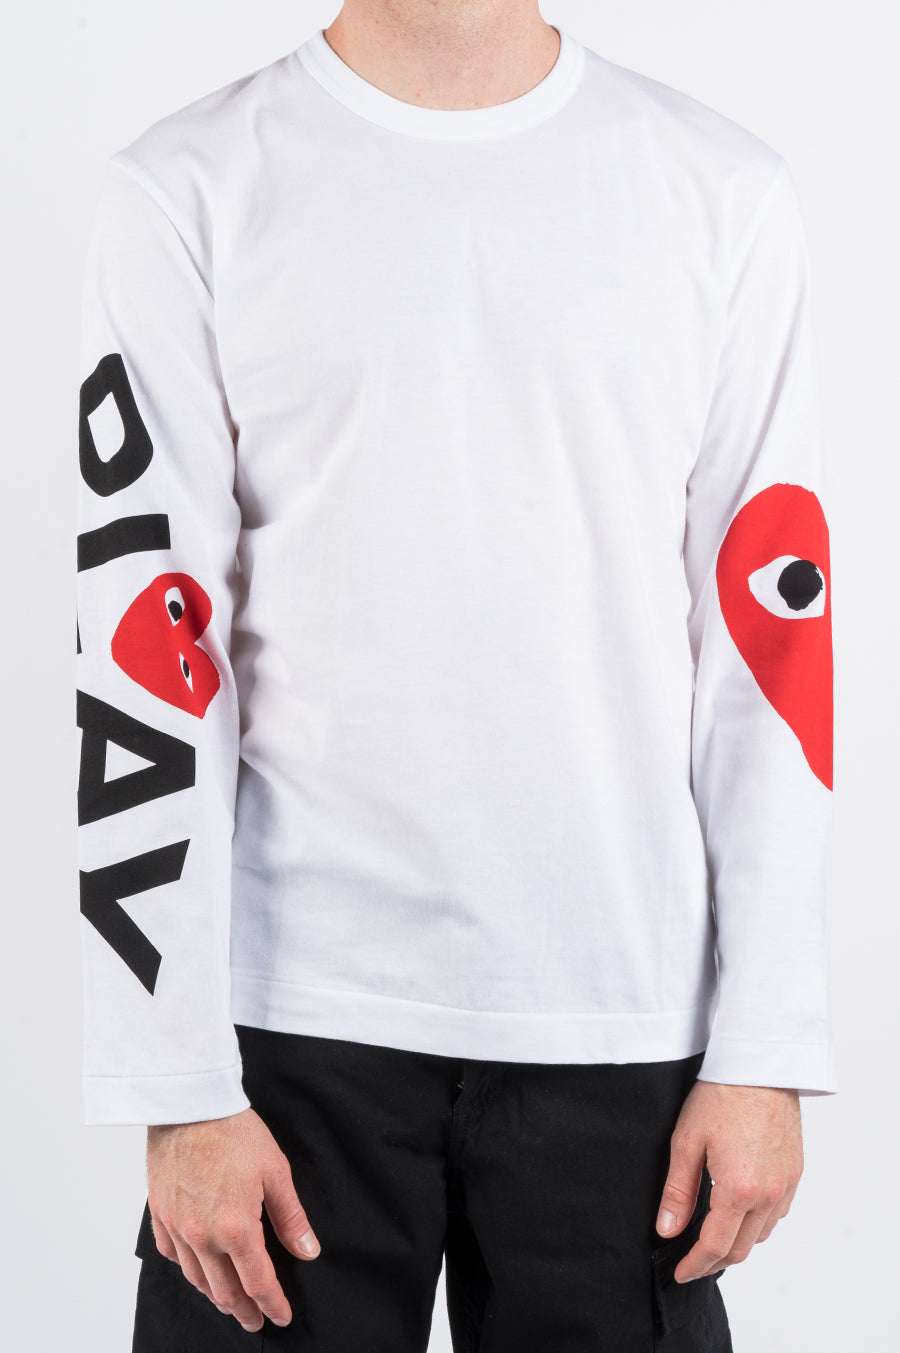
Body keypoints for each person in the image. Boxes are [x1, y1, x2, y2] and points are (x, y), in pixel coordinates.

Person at [75, 2, 836, 1349]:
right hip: (284, 1035)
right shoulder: (184, 188)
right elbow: (145, 640)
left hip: (618, 1024)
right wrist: (175, 1081)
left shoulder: (723, 191)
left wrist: (768, 1048)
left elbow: (770, 644)